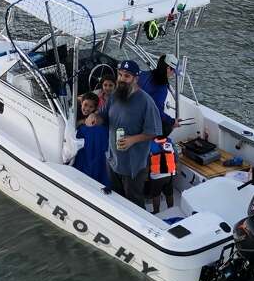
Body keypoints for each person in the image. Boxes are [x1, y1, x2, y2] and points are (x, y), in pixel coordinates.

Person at [98, 59, 162, 207]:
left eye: (126, 76)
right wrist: (95, 118)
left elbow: (154, 131)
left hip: (133, 166)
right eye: (120, 75)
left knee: (134, 202)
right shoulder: (114, 95)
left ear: (135, 79)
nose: (121, 79)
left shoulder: (146, 102)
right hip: (113, 161)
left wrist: (132, 140)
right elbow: (103, 116)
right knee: (116, 198)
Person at [72, 93, 111, 187]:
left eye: (91, 107)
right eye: (85, 105)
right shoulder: (74, 112)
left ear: (95, 108)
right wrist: (81, 122)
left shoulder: (96, 121)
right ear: (81, 103)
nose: (87, 108)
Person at [147, 125, 178, 214]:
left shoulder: (151, 144)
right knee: (169, 193)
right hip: (169, 174)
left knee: (155, 194)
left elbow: (147, 160)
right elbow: (175, 157)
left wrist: (146, 174)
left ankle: (156, 211)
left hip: (157, 176)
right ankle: (170, 208)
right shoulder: (170, 142)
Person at [139, 55, 175, 126]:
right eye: (173, 70)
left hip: (129, 114)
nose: (173, 74)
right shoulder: (161, 88)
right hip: (141, 123)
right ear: (168, 69)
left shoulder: (143, 74)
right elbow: (157, 112)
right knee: (166, 127)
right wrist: (172, 122)